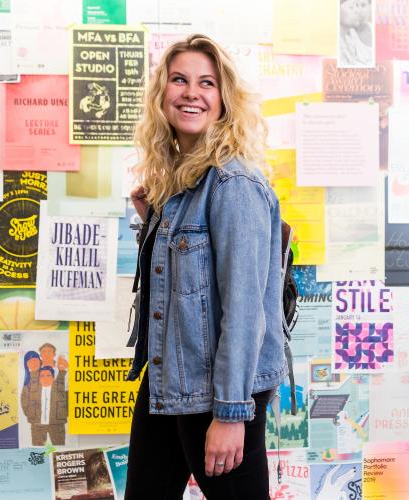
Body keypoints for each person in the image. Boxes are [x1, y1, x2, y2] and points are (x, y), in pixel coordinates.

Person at [124, 34, 287, 499]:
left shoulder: (234, 183)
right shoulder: (180, 188)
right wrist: (156, 223)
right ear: (163, 95)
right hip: (168, 377)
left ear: (223, 101)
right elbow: (183, 285)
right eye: (179, 80)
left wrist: (231, 414)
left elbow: (244, 310)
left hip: (218, 392)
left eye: (206, 83)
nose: (191, 92)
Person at [20, 361, 68, 446]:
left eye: (48, 375)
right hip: (37, 425)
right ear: (39, 379)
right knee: (37, 449)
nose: (45, 378)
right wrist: (29, 413)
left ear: (53, 378)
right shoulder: (34, 388)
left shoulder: (59, 387)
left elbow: (69, 398)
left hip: (57, 424)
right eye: (42, 376)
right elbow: (24, 398)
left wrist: (64, 413)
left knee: (60, 447)